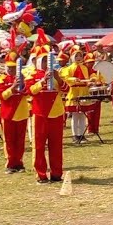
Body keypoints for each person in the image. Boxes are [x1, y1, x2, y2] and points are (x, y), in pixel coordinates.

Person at [27, 40, 66, 185]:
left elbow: (67, 90)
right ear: (37, 62)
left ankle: (56, 173)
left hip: (56, 113)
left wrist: (58, 79)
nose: (45, 64)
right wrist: (43, 80)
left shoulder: (57, 73)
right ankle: (41, 174)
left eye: (47, 61)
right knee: (39, 146)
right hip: (40, 113)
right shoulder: (32, 75)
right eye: (42, 61)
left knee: (56, 145)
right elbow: (30, 91)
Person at [0, 52, 30, 173]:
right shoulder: (2, 79)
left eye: (14, 67)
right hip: (8, 113)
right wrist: (12, 87)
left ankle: (19, 162)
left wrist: (21, 85)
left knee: (20, 140)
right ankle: (10, 164)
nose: (12, 70)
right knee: (9, 140)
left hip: (21, 112)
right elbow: (2, 96)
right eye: (10, 67)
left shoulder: (23, 77)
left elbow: (27, 92)